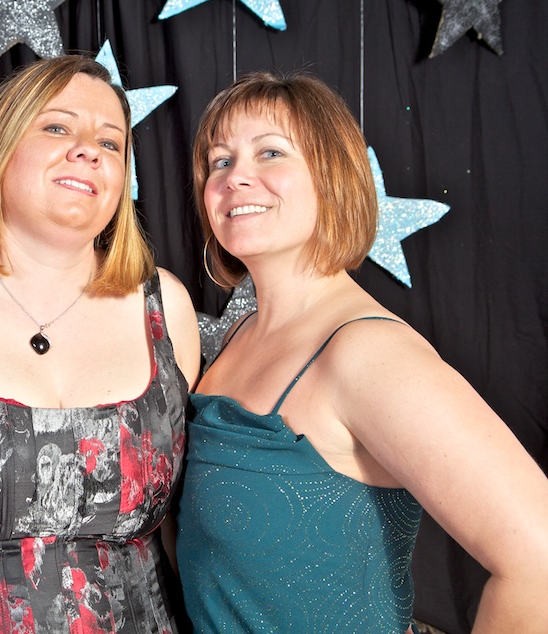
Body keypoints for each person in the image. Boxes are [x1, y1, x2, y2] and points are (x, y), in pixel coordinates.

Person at [178, 71, 548, 633]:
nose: (236, 178)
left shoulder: (368, 353)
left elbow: (537, 560)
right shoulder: (240, 334)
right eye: (220, 161)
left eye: (270, 152)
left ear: (332, 178)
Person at [0, 55, 202, 633]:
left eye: (110, 142)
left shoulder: (165, 306)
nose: (88, 151)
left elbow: (189, 526)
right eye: (57, 127)